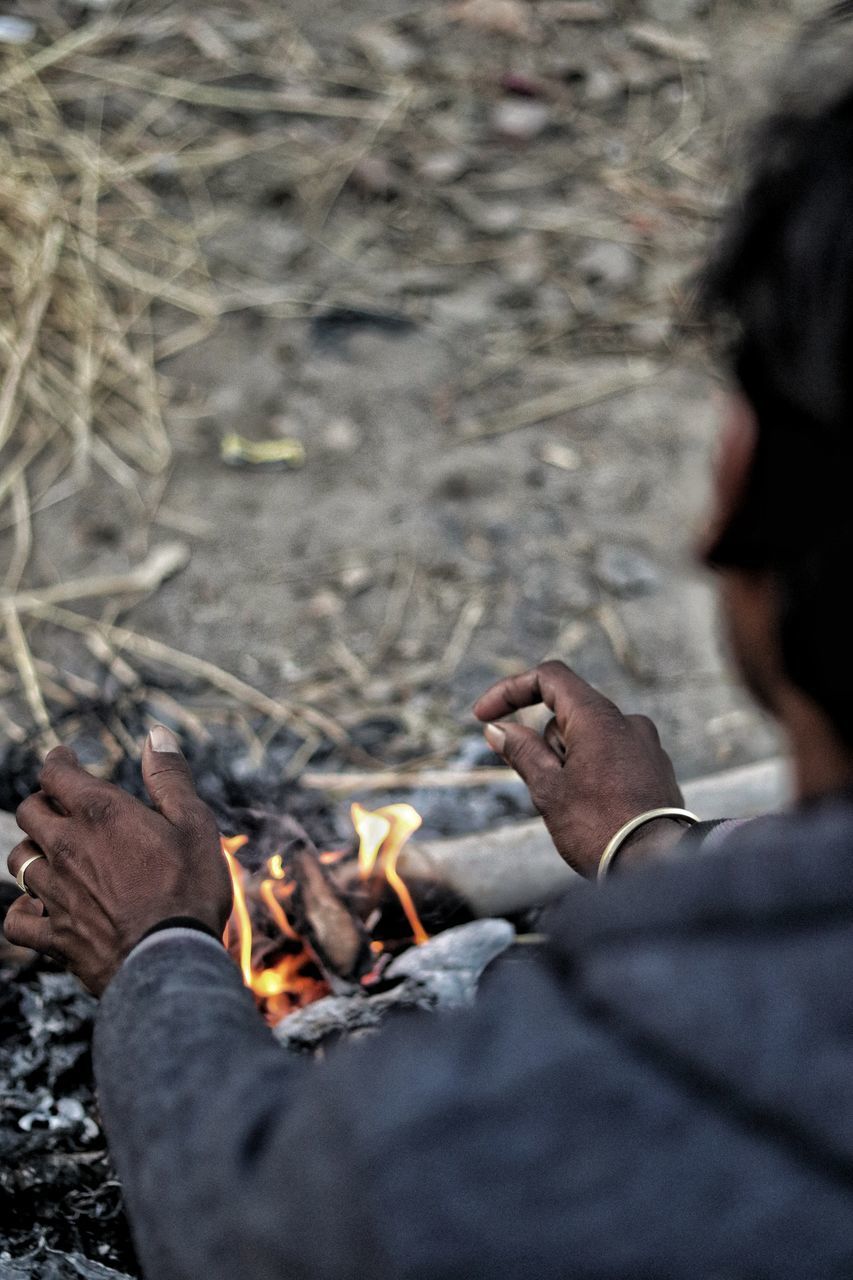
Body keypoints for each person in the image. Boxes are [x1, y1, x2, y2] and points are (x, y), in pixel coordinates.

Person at [8, 6, 853, 1277]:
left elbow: (252, 1228)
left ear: (736, 495)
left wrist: (159, 955)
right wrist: (651, 850)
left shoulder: (523, 1128)